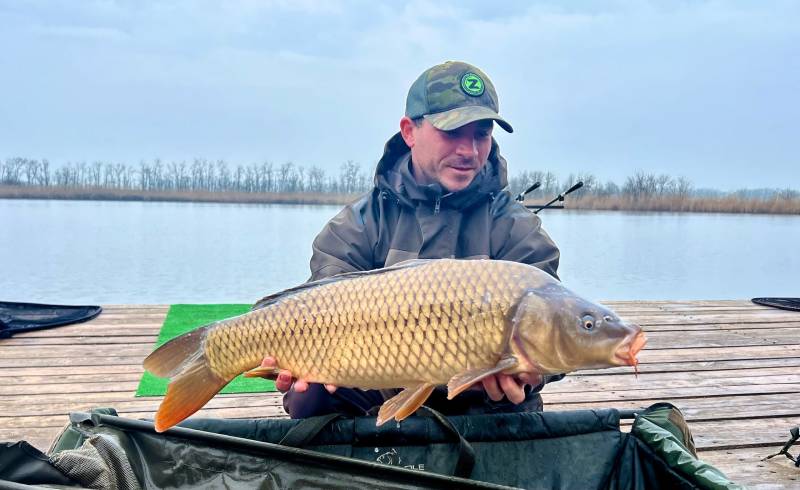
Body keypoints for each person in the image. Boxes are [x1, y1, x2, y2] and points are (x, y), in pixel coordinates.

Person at [259, 60, 561, 418]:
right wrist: (299, 355)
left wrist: (534, 373)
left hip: (478, 397)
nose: (469, 150)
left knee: (514, 398)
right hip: (378, 383)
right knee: (307, 394)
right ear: (409, 131)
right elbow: (321, 307)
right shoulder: (359, 224)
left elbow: (558, 326)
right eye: (452, 132)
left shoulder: (515, 227)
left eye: (481, 133)